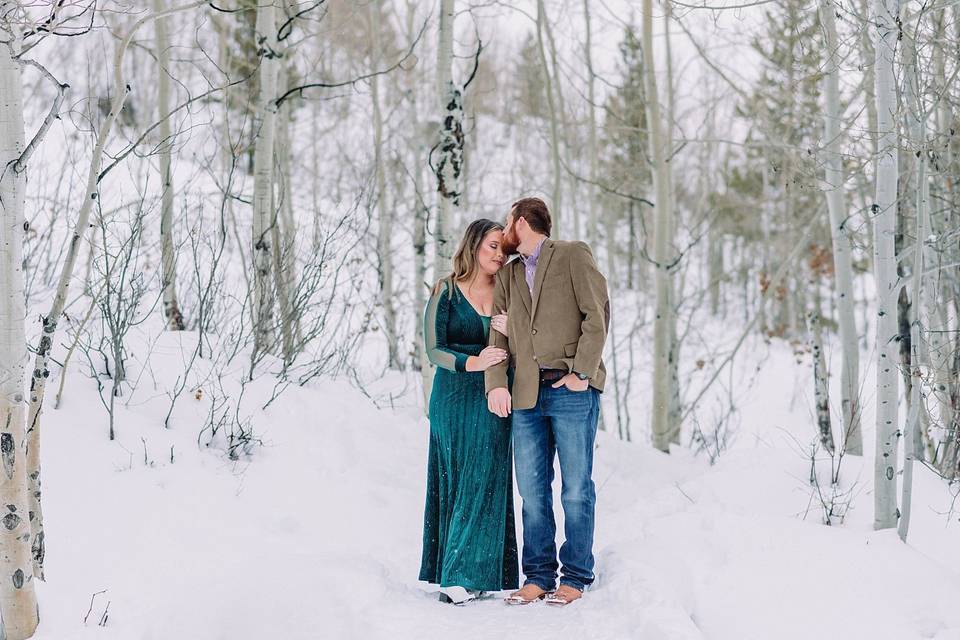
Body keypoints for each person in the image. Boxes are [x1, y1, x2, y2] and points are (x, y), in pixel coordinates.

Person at [485, 197, 609, 607]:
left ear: (521, 222)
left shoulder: (573, 254)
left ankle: (575, 576)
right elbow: (498, 336)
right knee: (532, 492)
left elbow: (597, 315)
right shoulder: (509, 273)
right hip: (525, 394)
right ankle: (537, 576)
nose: (504, 230)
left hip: (570, 390)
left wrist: (582, 374)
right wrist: (494, 384)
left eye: (507, 222)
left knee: (575, 489)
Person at [419, 218, 519, 605]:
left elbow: (527, 339)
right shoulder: (445, 290)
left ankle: (472, 572)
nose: (499, 254)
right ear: (474, 245)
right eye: (492, 246)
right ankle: (456, 572)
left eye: (503, 249)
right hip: (452, 398)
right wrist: (473, 362)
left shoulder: (508, 291)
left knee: (486, 478)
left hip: (494, 397)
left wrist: (514, 327)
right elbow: (434, 349)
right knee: (458, 480)